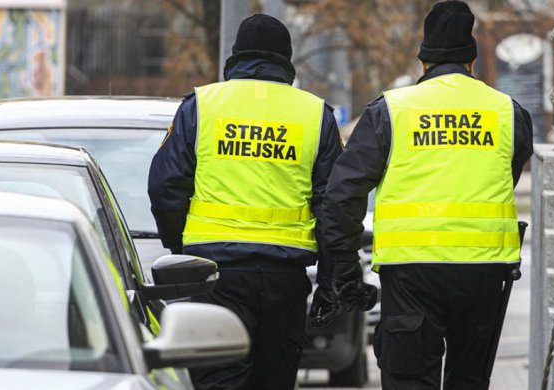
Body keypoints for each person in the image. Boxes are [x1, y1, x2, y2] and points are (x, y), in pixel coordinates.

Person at [320, 1, 534, 389]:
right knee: (469, 380)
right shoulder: (508, 112)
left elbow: (341, 195)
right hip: (483, 273)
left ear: (423, 63)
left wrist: (343, 267)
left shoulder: (391, 110)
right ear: (473, 63)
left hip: (411, 273)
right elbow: (510, 173)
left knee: (409, 379)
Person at [148, 14, 343, 390]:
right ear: (286, 60)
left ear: (235, 57)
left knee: (218, 379)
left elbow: (165, 185)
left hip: (213, 275)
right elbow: (334, 207)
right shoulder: (315, 114)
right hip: (284, 281)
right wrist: (332, 282)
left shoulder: (202, 106)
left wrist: (180, 247)